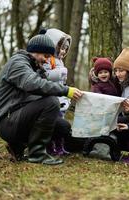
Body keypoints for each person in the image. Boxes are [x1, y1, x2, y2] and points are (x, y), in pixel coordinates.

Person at [0, 32, 82, 165]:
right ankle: (37, 154)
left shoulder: (35, 67)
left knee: (62, 126)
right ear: (35, 51)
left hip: (17, 117)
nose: (47, 60)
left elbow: (45, 89)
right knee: (51, 103)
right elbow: (33, 84)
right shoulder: (18, 63)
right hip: (7, 120)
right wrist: (66, 90)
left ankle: (18, 146)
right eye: (46, 56)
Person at [38, 28, 73, 156]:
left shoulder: (59, 60)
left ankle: (60, 146)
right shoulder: (47, 59)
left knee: (61, 122)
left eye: (65, 49)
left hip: (60, 97)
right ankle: (50, 147)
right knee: (53, 124)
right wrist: (61, 72)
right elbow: (45, 75)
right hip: (51, 97)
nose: (63, 51)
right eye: (61, 48)